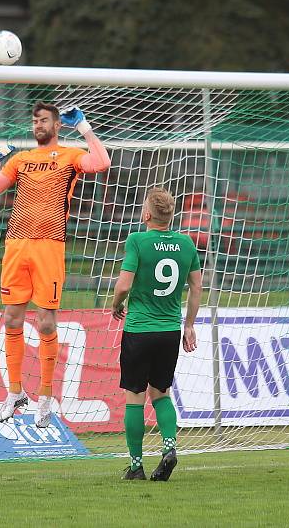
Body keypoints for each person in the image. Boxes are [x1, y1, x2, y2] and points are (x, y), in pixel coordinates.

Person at [0, 101, 111, 428]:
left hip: (49, 248)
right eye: (35, 120)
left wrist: (83, 126)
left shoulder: (70, 155)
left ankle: (44, 396)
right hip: (16, 246)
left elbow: (101, 161)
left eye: (44, 120)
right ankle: (15, 392)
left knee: (45, 323)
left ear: (57, 125)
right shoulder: (20, 160)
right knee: (11, 319)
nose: (38, 125)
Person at [111, 187, 202, 481]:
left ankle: (136, 466)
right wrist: (189, 324)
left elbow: (124, 285)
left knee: (135, 396)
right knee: (161, 394)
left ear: (147, 214)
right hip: (169, 331)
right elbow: (197, 287)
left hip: (139, 329)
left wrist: (116, 304)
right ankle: (169, 448)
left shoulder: (137, 240)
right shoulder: (186, 243)